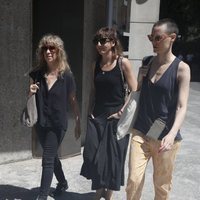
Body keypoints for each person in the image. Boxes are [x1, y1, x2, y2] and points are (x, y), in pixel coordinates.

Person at [126, 18, 190, 200]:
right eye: (151, 37)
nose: (153, 42)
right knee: (133, 180)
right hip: (142, 132)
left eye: (157, 38)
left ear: (172, 38)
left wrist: (171, 134)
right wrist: (139, 77)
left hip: (166, 139)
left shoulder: (182, 69)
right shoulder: (147, 62)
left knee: (162, 187)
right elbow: (137, 91)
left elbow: (181, 106)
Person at [80, 27, 137, 200]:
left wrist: (121, 111)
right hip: (97, 115)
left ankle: (107, 194)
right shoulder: (95, 65)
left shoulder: (123, 63)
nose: (99, 44)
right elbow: (93, 90)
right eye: (96, 41)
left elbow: (135, 90)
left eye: (103, 41)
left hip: (116, 117)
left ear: (113, 42)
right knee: (91, 154)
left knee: (112, 158)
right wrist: (89, 111)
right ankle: (99, 189)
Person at [29, 34, 81, 200]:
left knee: (47, 159)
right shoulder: (37, 74)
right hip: (41, 122)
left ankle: (42, 196)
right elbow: (29, 96)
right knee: (51, 155)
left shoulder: (67, 76)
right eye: (45, 48)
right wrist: (29, 92)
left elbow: (73, 100)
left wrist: (78, 121)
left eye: (52, 48)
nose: (48, 51)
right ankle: (63, 182)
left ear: (59, 51)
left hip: (57, 124)